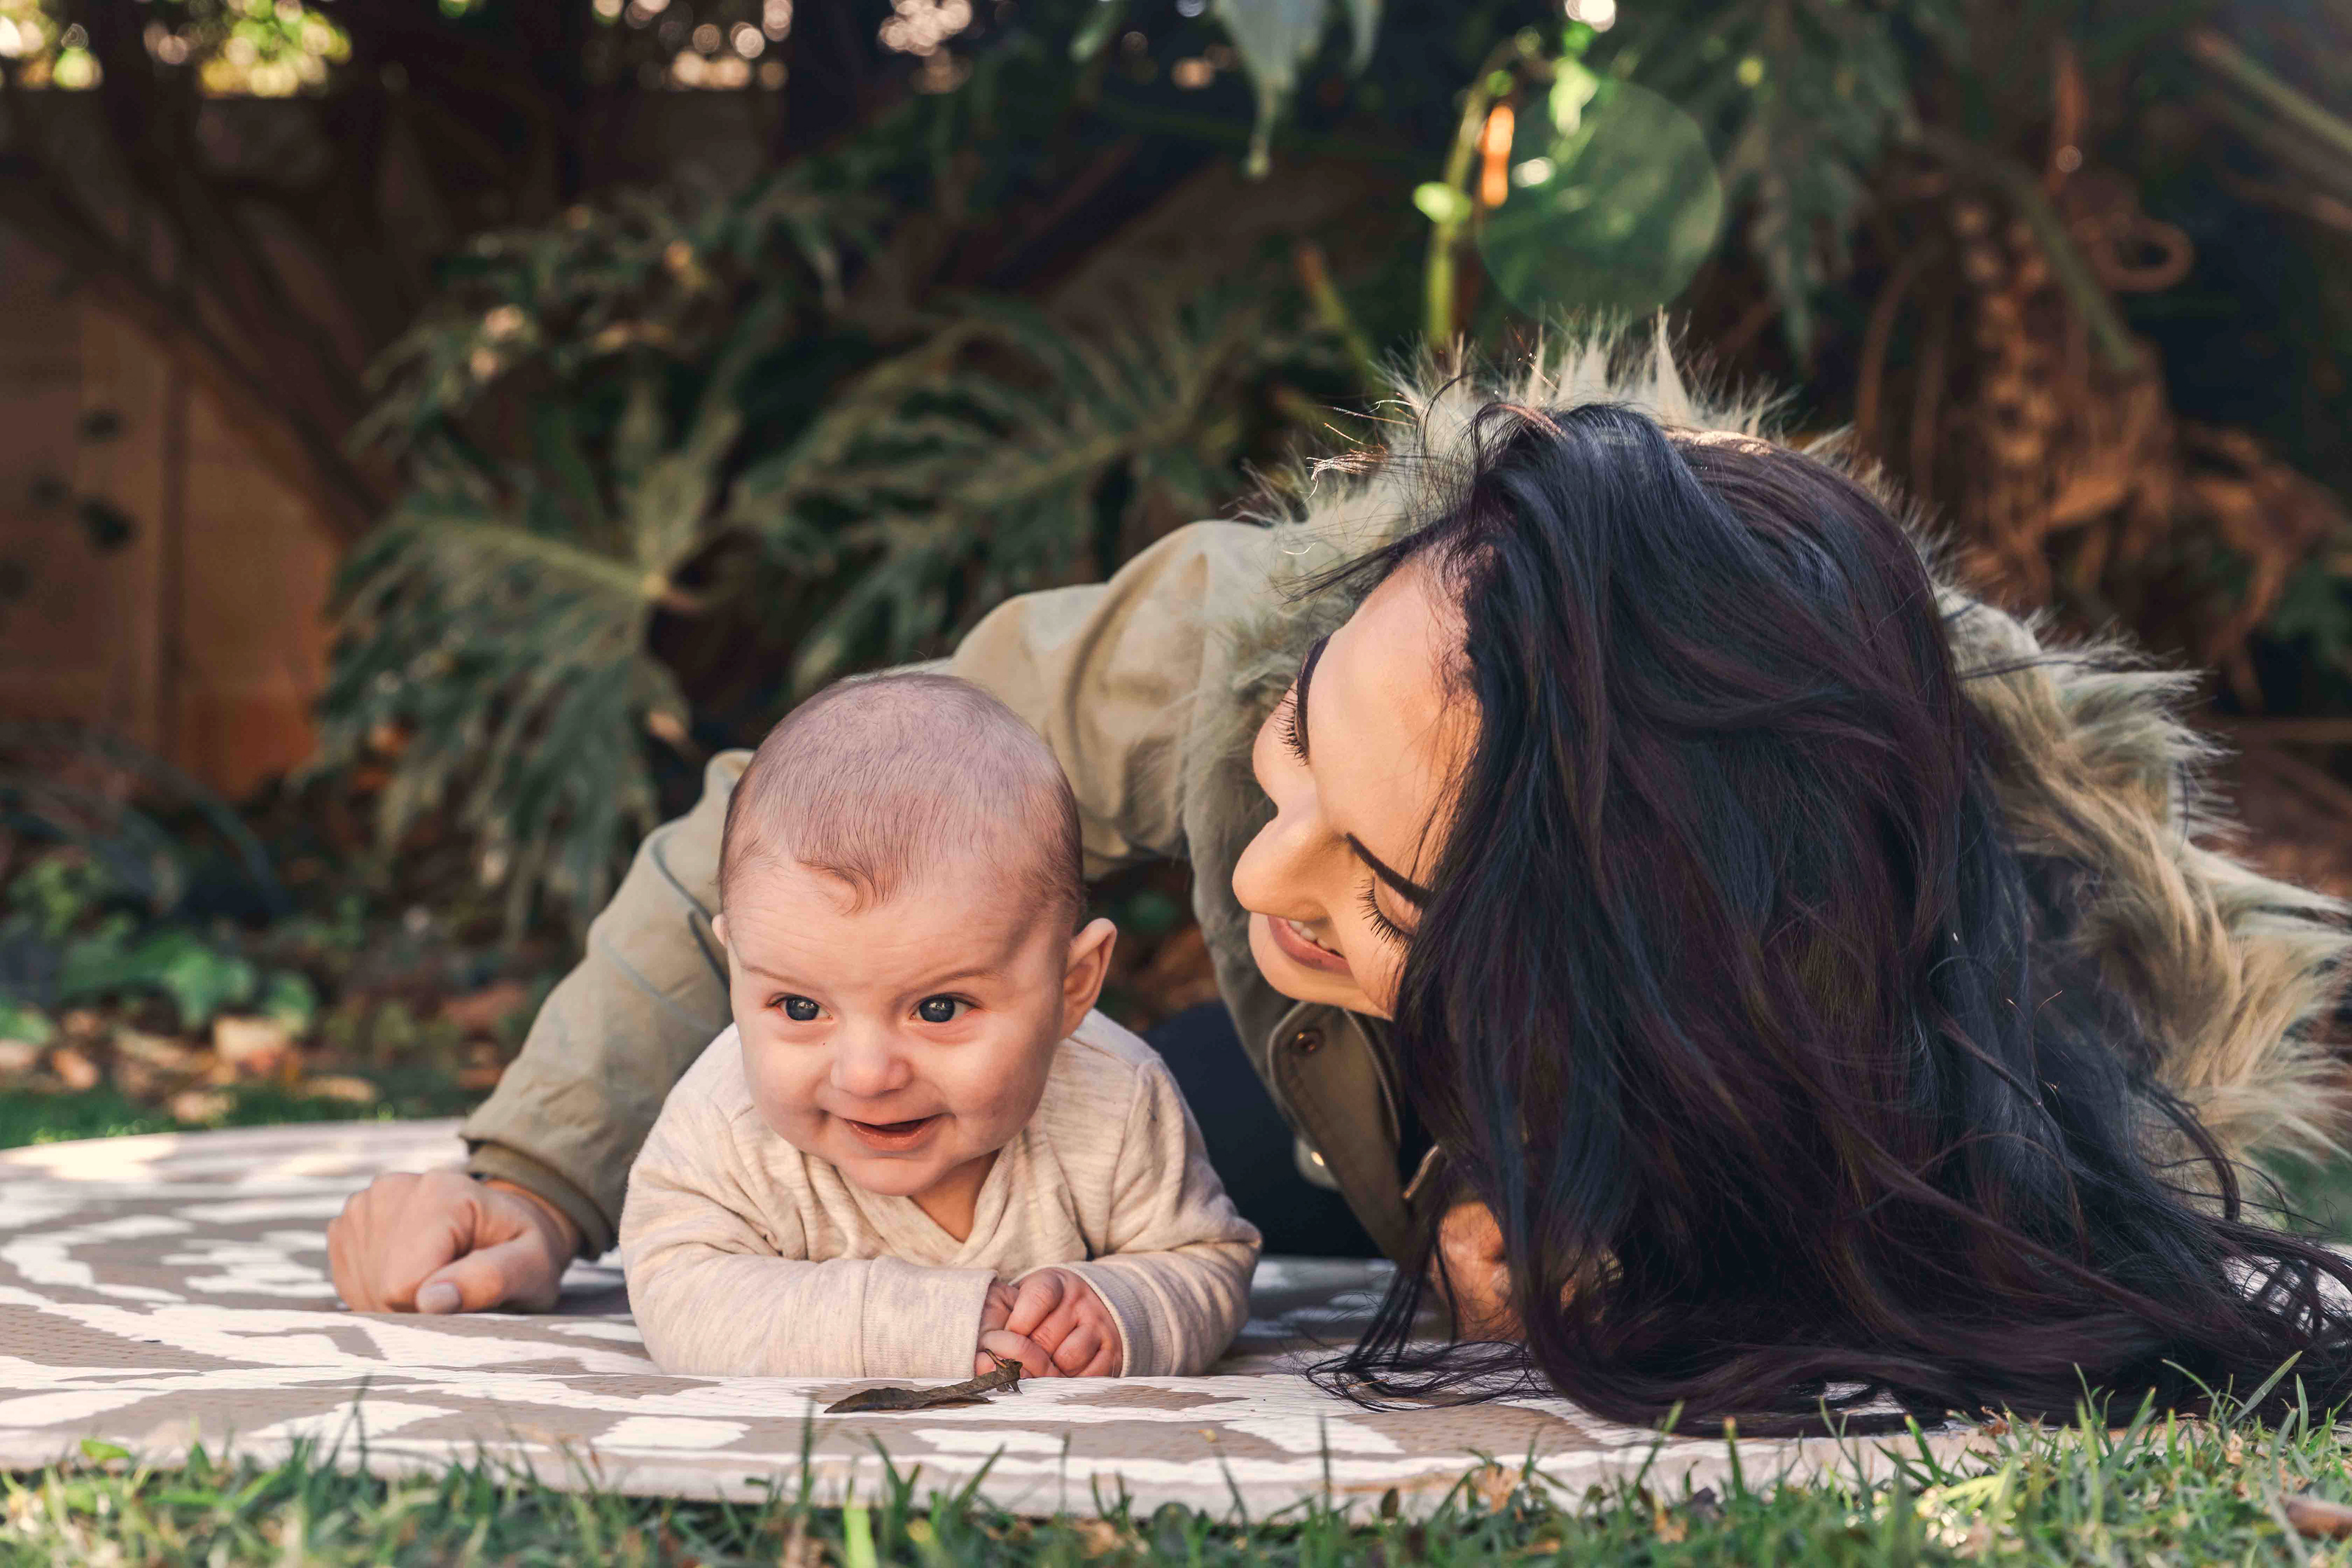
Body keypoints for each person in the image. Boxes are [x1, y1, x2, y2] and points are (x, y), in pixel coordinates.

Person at [330, 334, 2352, 1426]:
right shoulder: (1245, 638)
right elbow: (793, 835)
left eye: (1383, 881)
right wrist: (536, 1172)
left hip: (1577, 1089)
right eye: (1297, 756)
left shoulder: (1919, 1030)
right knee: (1120, 1125)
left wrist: (1604, 1238)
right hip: (1288, 1090)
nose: (1270, 865)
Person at [619, 673, 1257, 1379]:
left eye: (939, 1008)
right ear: (737, 967)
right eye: (800, 1008)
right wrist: (916, 1327)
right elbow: (676, 1291)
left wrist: (1122, 1306)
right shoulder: (725, 1120)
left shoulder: (1116, 1098)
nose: (866, 1074)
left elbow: (1207, 1259)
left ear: (1071, 986)